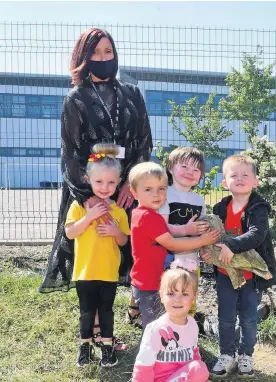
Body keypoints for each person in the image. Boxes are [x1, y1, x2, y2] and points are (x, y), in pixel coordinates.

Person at [39, 28, 152, 338]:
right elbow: (70, 153)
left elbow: (144, 142)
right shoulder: (76, 98)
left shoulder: (132, 94)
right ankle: (97, 330)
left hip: (128, 191)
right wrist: (87, 196)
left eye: (108, 51)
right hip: (91, 190)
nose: (103, 58)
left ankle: (135, 308)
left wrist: (132, 183)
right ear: (84, 57)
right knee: (95, 257)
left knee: (131, 248)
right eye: (96, 53)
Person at [201, 154, 276, 379]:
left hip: (251, 275)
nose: (240, 178)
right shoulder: (220, 208)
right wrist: (208, 253)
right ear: (225, 183)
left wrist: (231, 245)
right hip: (225, 273)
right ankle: (227, 355)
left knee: (248, 317)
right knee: (225, 316)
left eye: (246, 175)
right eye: (234, 175)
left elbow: (257, 235)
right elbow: (213, 237)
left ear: (256, 181)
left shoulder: (258, 208)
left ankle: (246, 355)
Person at [128, 162, 220, 330]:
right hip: (150, 284)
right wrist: (202, 241)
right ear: (134, 193)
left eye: (161, 189)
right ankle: (151, 354)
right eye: (148, 189)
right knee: (154, 327)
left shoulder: (143, 214)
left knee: (160, 323)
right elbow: (172, 243)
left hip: (149, 280)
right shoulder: (149, 218)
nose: (156, 194)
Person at [65, 144, 130, 368]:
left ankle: (107, 347)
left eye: (111, 182)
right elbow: (71, 232)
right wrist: (89, 217)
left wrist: (115, 232)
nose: (105, 187)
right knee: (86, 311)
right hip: (84, 271)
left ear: (119, 182)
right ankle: (84, 348)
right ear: (88, 180)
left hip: (108, 272)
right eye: (99, 182)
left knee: (106, 311)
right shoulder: (79, 206)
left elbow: (123, 241)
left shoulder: (118, 211)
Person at [132, 262, 209, 382]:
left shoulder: (193, 324)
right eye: (171, 293)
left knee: (199, 369)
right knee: (199, 369)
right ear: (162, 296)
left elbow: (194, 356)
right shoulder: (155, 329)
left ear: (194, 297)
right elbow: (143, 367)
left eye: (184, 294)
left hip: (181, 376)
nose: (178, 299)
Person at [158, 147, 209, 318]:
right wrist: (184, 230)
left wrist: (204, 247)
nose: (190, 172)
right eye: (185, 167)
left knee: (189, 292)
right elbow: (160, 227)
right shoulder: (165, 194)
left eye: (196, 170)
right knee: (169, 293)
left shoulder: (199, 200)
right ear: (171, 168)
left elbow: (202, 227)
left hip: (191, 257)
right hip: (167, 257)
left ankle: (187, 328)